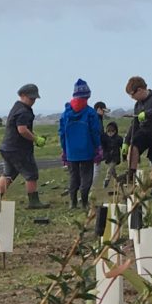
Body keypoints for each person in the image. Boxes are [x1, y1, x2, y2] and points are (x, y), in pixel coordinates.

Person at [57, 79, 102, 209]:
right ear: (87, 96)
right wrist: (98, 147)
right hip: (87, 150)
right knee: (86, 177)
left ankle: (73, 202)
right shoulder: (90, 113)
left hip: (71, 152)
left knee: (73, 176)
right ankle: (84, 202)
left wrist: (64, 149)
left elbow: (62, 134)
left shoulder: (65, 114)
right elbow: (95, 132)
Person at [0, 84, 42, 206]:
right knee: (31, 174)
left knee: (8, 174)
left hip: (7, 148)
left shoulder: (16, 107)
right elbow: (22, 129)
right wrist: (35, 139)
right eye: (31, 98)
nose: (33, 101)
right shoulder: (23, 111)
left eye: (34, 99)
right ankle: (34, 202)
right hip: (18, 149)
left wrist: (33, 135)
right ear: (22, 95)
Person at [96, 100, 122, 172]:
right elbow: (98, 133)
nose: (104, 113)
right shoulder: (96, 119)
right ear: (98, 109)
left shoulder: (98, 119)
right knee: (95, 171)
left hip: (97, 147)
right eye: (103, 111)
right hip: (96, 148)